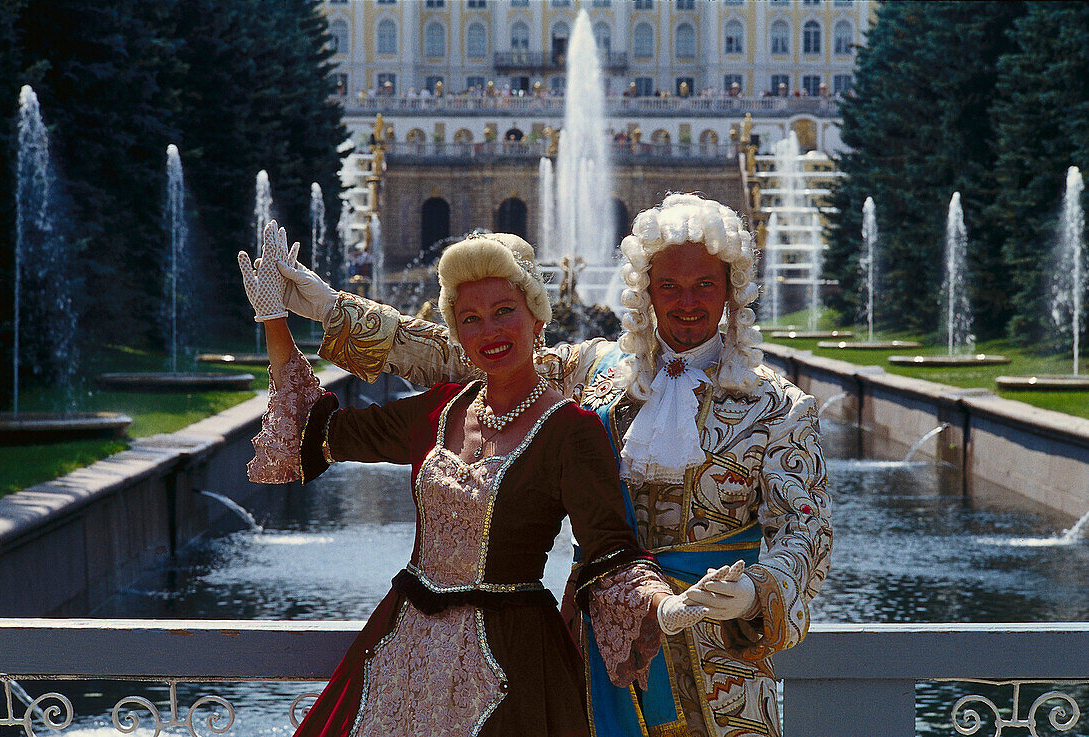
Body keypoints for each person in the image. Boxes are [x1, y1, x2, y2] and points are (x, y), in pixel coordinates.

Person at [275, 194, 832, 737]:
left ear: (732, 290)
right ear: (646, 290)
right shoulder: (598, 373)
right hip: (597, 645)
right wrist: (331, 309)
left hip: (718, 659)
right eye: (670, 285)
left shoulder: (779, 407)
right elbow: (473, 351)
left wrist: (756, 591)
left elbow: (807, 537)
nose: (688, 301)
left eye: (704, 285)